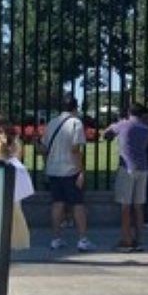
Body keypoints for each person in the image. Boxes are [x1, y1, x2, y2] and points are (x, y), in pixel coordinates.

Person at [42, 93, 95, 252]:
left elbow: (44, 148)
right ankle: (82, 239)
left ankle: (56, 238)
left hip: (53, 169)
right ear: (75, 107)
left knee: (57, 203)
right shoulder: (75, 123)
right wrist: (81, 171)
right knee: (77, 204)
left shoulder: (52, 122)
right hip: (70, 169)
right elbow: (75, 149)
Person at [103, 103, 148, 252]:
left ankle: (126, 240)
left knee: (125, 206)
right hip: (143, 168)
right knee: (138, 207)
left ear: (129, 112)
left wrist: (112, 126)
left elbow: (106, 134)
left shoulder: (123, 125)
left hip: (127, 168)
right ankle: (139, 239)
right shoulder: (146, 129)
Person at [0, 113, 30, 250]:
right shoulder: (16, 141)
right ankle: (15, 240)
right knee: (15, 209)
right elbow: (19, 158)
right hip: (13, 177)